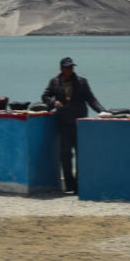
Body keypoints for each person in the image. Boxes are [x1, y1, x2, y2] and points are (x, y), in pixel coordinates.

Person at [41, 56, 106, 193]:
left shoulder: (82, 82)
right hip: (63, 123)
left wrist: (103, 111)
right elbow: (45, 96)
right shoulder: (54, 82)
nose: (70, 69)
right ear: (61, 68)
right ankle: (70, 185)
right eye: (67, 67)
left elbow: (91, 99)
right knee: (65, 155)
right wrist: (53, 103)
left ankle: (80, 184)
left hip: (79, 123)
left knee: (80, 154)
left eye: (71, 67)